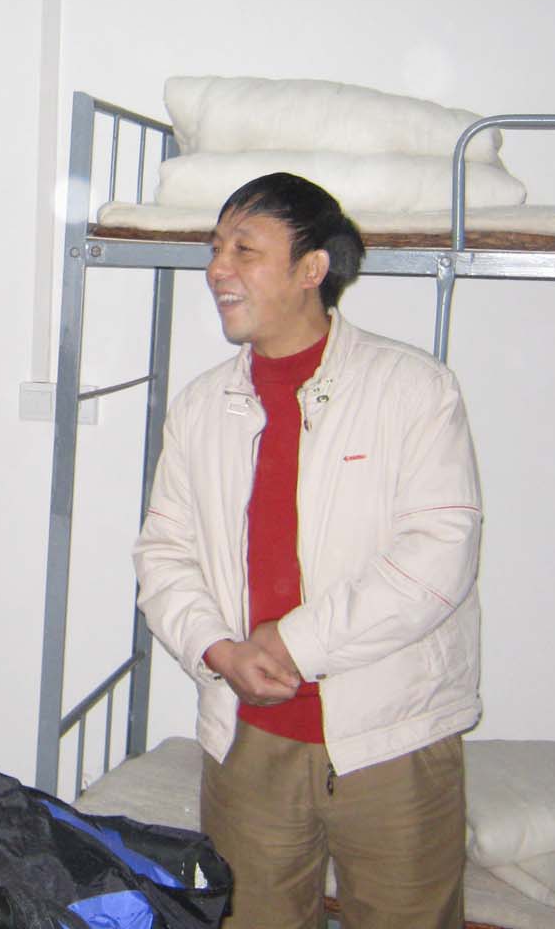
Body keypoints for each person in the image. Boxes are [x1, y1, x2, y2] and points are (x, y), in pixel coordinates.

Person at [133, 173, 482, 929]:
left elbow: (438, 557)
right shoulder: (201, 406)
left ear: (312, 268)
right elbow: (163, 555)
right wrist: (217, 649)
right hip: (248, 737)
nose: (217, 269)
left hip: (392, 737)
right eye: (215, 249)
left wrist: (295, 643)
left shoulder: (412, 389)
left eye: (244, 250)